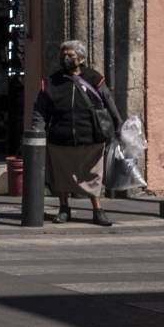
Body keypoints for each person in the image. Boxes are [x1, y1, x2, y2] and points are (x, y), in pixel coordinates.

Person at [31, 39, 122, 225]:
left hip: (91, 138)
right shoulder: (51, 82)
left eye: (70, 55)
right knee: (62, 175)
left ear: (81, 59)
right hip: (60, 138)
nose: (65, 58)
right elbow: (40, 109)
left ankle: (98, 210)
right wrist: (37, 131)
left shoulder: (94, 78)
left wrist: (118, 124)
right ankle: (64, 209)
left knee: (93, 176)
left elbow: (108, 102)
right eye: (62, 55)